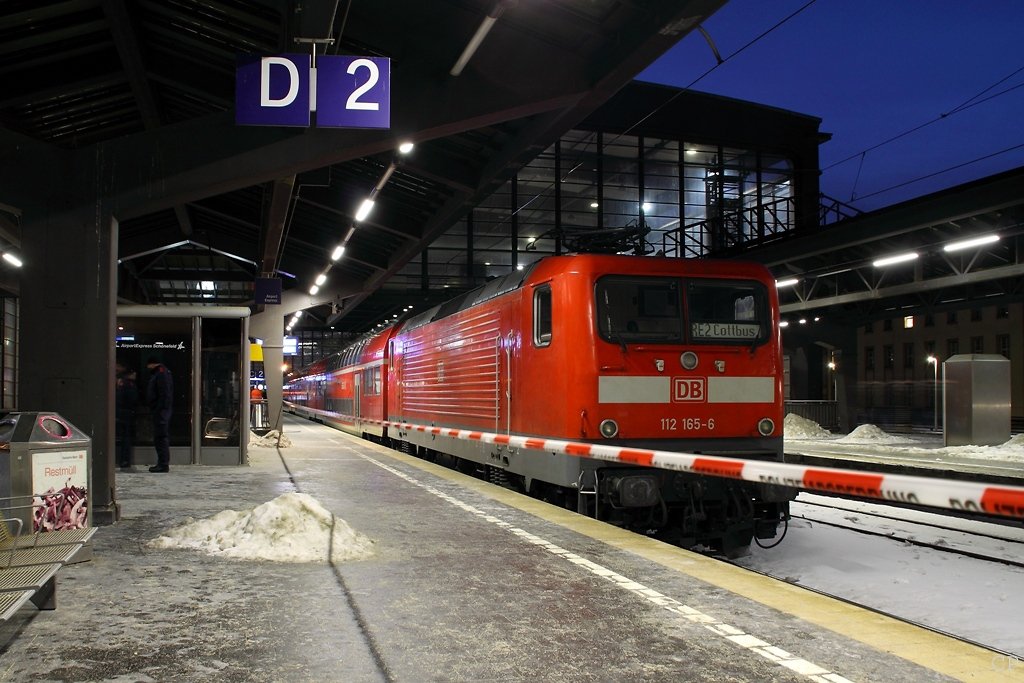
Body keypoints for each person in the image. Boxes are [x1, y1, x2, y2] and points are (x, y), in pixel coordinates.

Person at [146, 356, 173, 473]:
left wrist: (159, 409)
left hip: (161, 412)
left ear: (152, 364)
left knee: (160, 437)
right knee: (160, 437)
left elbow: (164, 393)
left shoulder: (161, 373)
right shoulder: (160, 373)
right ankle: (162, 463)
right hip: (161, 410)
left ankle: (163, 464)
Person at [115, 361, 138, 470]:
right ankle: (124, 460)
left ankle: (124, 460)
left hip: (123, 412)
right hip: (126, 412)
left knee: (125, 437)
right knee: (126, 437)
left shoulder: (125, 383)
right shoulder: (128, 384)